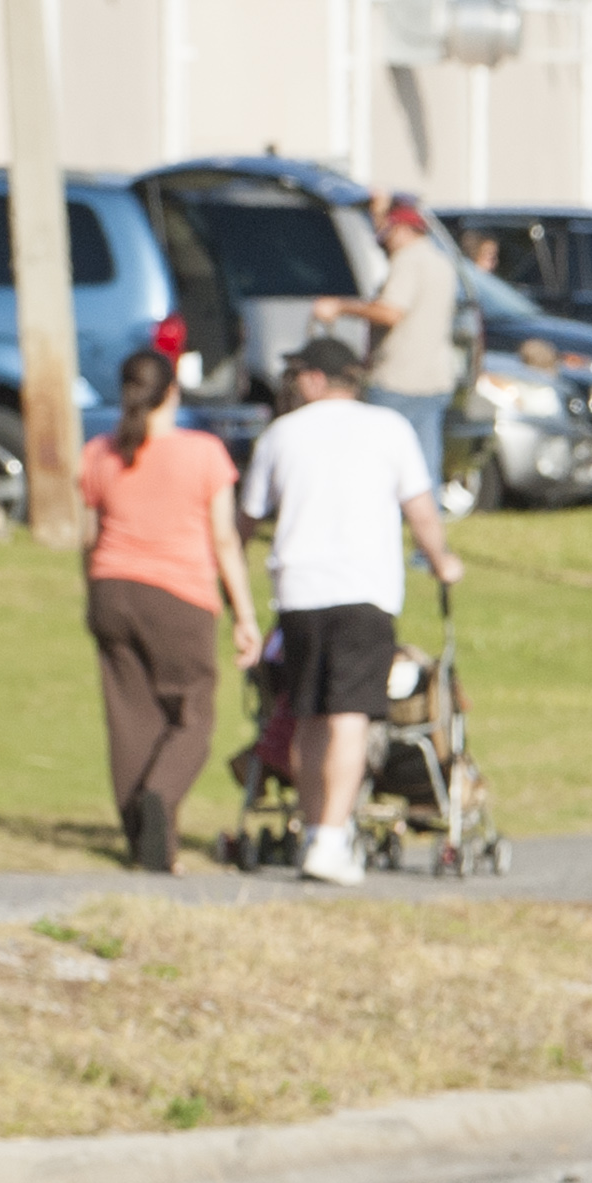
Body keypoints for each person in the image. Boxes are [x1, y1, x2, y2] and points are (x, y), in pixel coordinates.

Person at [241, 336, 462, 887]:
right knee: (350, 717)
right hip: (363, 590)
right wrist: (441, 560)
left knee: (309, 714)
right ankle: (331, 838)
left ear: (317, 379)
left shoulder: (281, 435)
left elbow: (246, 517)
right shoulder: (389, 429)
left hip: (298, 589)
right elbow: (420, 508)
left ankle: (317, 829)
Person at [75, 346, 259, 873]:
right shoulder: (203, 454)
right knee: (192, 713)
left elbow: (89, 538)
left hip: (111, 590)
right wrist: (244, 614)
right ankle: (161, 794)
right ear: (172, 391)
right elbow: (224, 540)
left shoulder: (99, 453)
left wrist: (94, 592)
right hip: (179, 595)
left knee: (130, 717)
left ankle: (147, 844)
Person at [313, 195, 465, 481]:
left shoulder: (407, 260)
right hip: (435, 379)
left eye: (387, 230)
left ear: (402, 229)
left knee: (380, 464)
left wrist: (339, 306)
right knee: (423, 466)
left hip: (399, 380)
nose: (382, 239)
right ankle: (427, 523)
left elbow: (390, 312)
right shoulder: (441, 261)